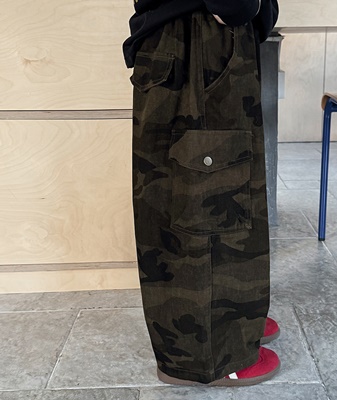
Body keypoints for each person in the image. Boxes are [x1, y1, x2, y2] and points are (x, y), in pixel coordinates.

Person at [123, 0, 280, 386]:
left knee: (217, 187)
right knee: (208, 197)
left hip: (193, 37)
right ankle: (211, 356)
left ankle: (236, 318)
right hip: (198, 41)